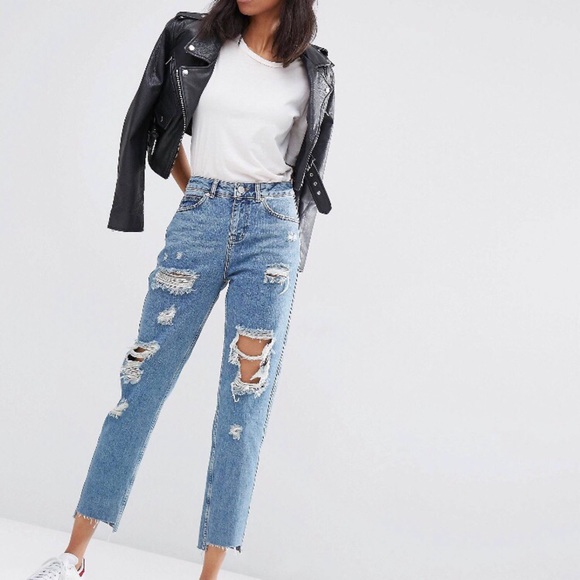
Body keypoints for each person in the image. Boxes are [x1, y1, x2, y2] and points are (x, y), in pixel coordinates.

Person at [26, 1, 335, 578]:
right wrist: (200, 196)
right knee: (141, 379)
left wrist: (292, 251)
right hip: (201, 218)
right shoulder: (194, 39)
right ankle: (72, 555)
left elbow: (306, 173)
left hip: (271, 232)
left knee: (245, 400)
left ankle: (211, 574)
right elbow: (157, 128)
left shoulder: (312, 71)